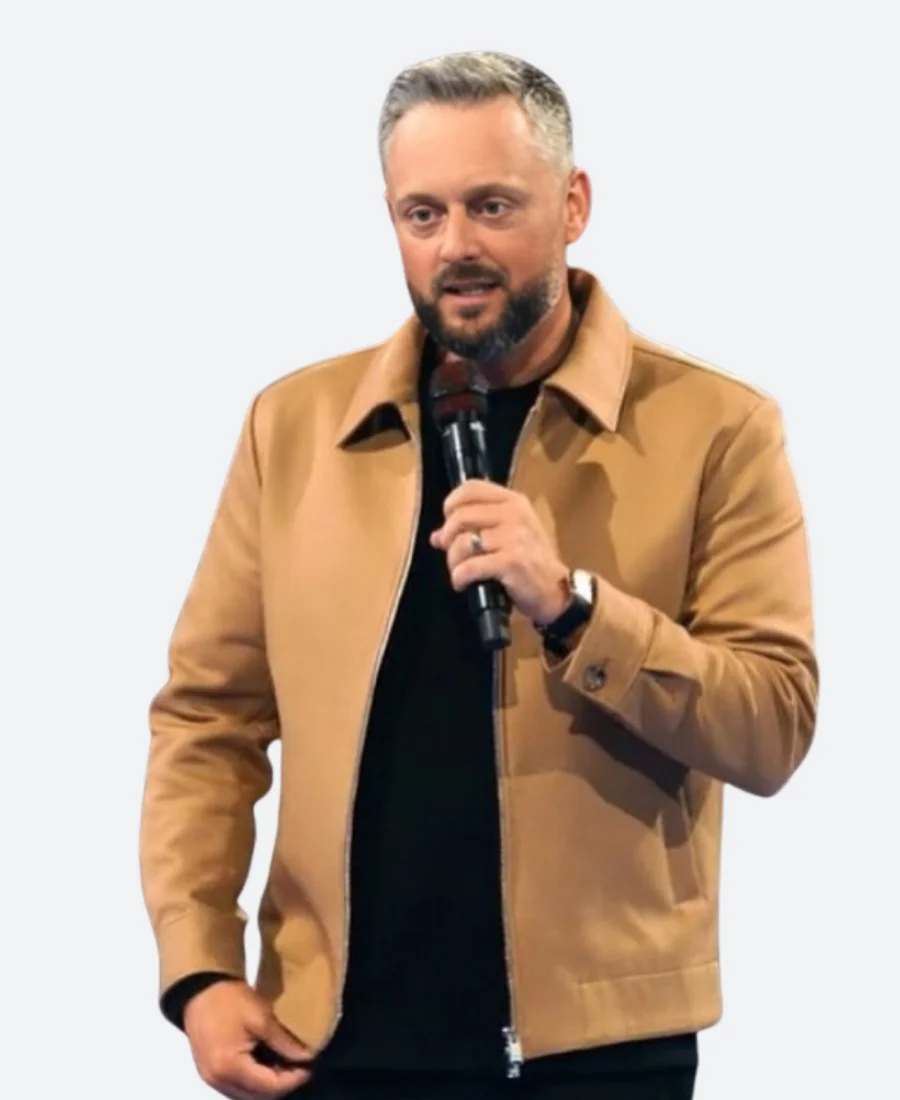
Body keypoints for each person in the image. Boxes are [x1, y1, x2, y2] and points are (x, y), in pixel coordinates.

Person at [139, 50, 818, 1100]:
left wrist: (574, 608)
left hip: (600, 1053)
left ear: (574, 203)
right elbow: (207, 719)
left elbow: (772, 724)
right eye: (423, 213)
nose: (455, 244)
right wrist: (199, 967)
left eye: (492, 205)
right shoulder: (297, 427)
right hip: (332, 1043)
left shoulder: (715, 427)